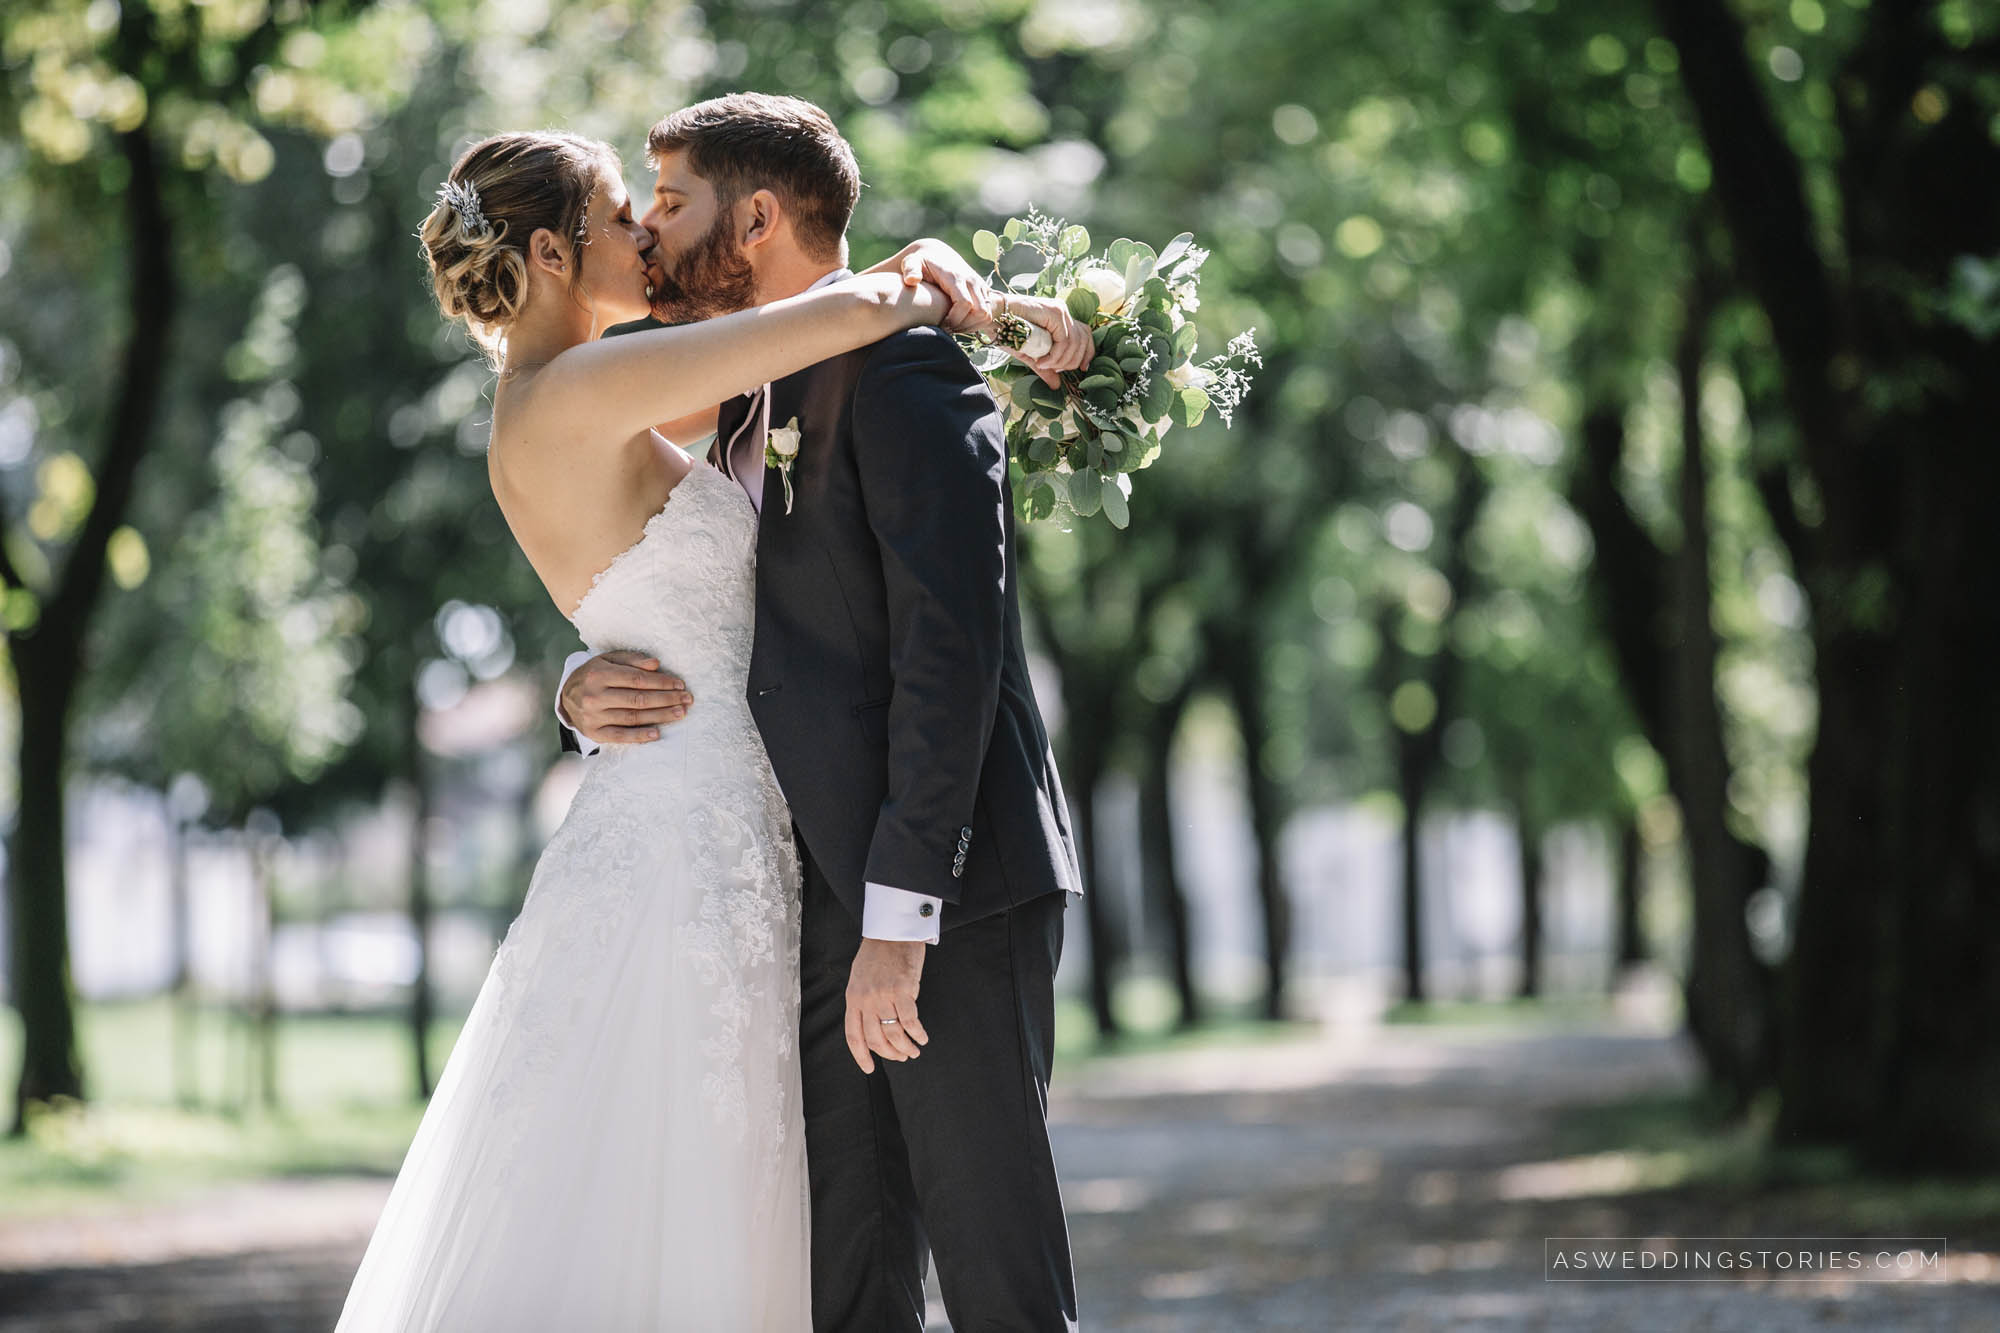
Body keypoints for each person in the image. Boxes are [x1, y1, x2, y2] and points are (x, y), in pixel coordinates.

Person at [334, 117, 1085, 1332]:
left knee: (772, 1224)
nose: (645, 232)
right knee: (718, 1218)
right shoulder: (589, 384)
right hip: (705, 854)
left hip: (772, 847)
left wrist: (584, 680)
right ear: (549, 252)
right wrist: (945, 280)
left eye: (661, 206)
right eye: (625, 218)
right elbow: (843, 314)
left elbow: (712, 545)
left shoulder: (619, 395)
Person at [557, 94, 1085, 1331]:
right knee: (843, 1283)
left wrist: (902, 921)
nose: (645, 235)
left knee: (996, 1276)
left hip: (946, 895)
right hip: (804, 906)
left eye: (671, 204)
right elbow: (709, 624)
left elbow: (947, 659)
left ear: (757, 215)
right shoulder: (740, 393)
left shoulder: (903, 372)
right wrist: (579, 697)